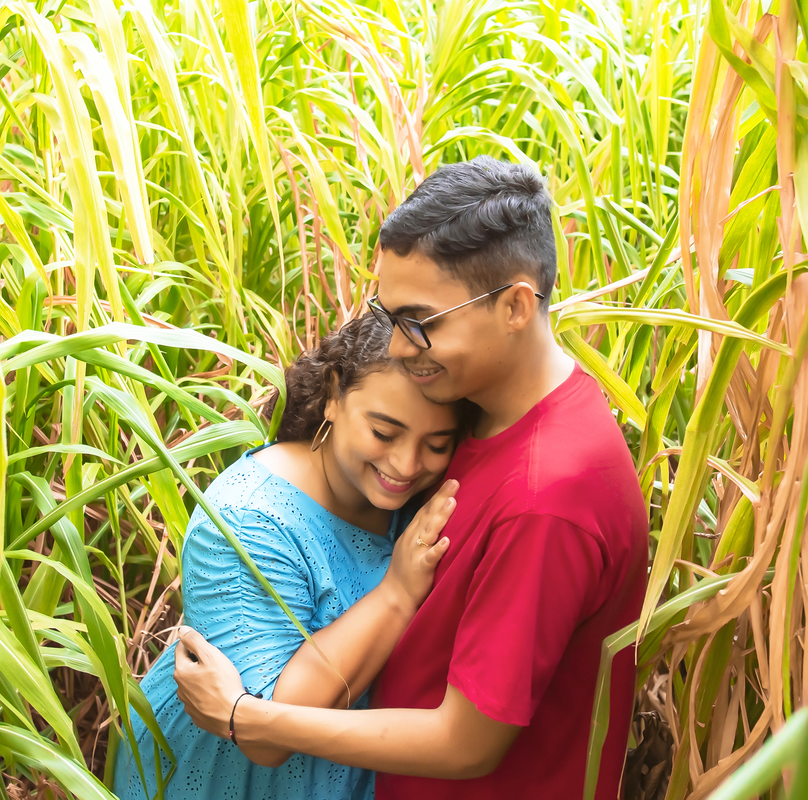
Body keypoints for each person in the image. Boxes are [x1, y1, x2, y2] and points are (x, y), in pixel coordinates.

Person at [172, 156, 649, 800]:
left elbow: (466, 741)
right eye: (389, 315)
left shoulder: (547, 496)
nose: (397, 346)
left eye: (420, 322)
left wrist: (247, 716)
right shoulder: (480, 413)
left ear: (514, 305)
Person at [113, 314, 473, 800]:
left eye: (436, 444)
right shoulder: (247, 520)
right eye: (384, 434)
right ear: (332, 395)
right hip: (225, 780)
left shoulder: (405, 501)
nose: (407, 465)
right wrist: (397, 593)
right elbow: (266, 727)